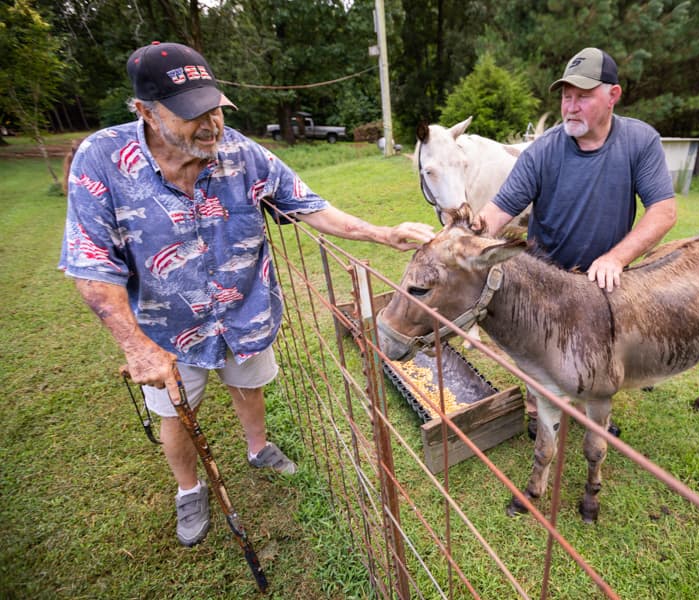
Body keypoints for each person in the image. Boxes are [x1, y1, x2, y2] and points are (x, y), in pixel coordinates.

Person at [59, 41, 435, 547]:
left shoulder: (241, 153)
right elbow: (90, 266)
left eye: (214, 107)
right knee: (174, 413)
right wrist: (135, 345)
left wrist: (382, 233)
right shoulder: (101, 160)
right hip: (163, 330)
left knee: (249, 384)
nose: (211, 124)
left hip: (244, 312)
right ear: (145, 111)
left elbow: (308, 205)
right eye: (193, 114)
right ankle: (189, 489)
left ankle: (258, 448)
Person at [475, 47, 677, 437]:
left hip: (602, 282)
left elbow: (664, 212)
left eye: (582, 96)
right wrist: (458, 239)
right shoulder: (543, 150)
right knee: (538, 354)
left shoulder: (640, 142)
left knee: (597, 357)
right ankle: (539, 410)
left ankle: (593, 413)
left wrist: (617, 258)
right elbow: (498, 211)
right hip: (545, 281)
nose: (571, 106)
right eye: (566, 96)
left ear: (612, 95)